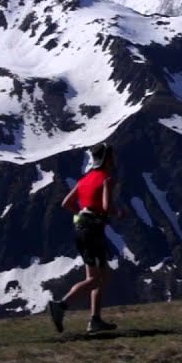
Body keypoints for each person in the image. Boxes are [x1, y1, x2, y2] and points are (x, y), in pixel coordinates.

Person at [48, 143, 126, 334]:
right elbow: (107, 207)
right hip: (93, 232)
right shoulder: (106, 179)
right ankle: (61, 306)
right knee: (99, 278)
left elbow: (67, 203)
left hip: (81, 229)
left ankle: (95, 320)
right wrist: (120, 212)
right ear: (107, 158)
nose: (114, 160)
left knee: (97, 277)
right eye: (112, 157)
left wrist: (83, 212)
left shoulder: (84, 179)